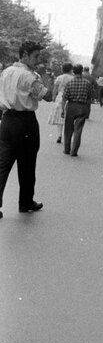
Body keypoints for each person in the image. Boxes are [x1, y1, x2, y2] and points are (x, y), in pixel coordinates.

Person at [0, 41, 48, 218]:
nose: (38, 60)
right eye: (36, 56)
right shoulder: (29, 77)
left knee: (3, 164)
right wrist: (43, 76)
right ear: (25, 55)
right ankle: (26, 202)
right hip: (25, 121)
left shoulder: (6, 72)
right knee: (27, 164)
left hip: (7, 120)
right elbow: (47, 95)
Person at [62, 64, 93, 157]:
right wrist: (87, 109)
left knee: (68, 129)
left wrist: (63, 110)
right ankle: (74, 151)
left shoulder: (69, 83)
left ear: (73, 71)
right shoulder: (87, 83)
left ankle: (67, 149)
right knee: (78, 130)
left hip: (71, 106)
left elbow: (64, 98)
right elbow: (90, 97)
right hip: (82, 107)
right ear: (81, 71)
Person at [48, 63, 74, 142]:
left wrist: (53, 97)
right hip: (70, 98)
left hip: (60, 97)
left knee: (60, 117)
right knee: (69, 118)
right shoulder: (73, 78)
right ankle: (68, 136)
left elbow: (55, 89)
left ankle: (59, 135)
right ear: (71, 70)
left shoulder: (59, 78)